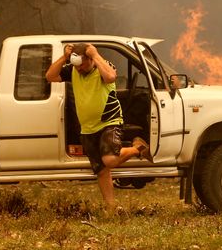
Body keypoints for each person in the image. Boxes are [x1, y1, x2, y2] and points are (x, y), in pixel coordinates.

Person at [46, 42, 153, 209]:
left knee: (109, 159)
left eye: (82, 66)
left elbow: (110, 77)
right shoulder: (74, 70)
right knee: (101, 170)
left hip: (109, 121)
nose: (79, 70)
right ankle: (111, 208)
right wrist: (64, 58)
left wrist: (95, 54)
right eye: (77, 67)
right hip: (88, 128)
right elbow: (50, 76)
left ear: (90, 59)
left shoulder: (103, 65)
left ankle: (137, 147)